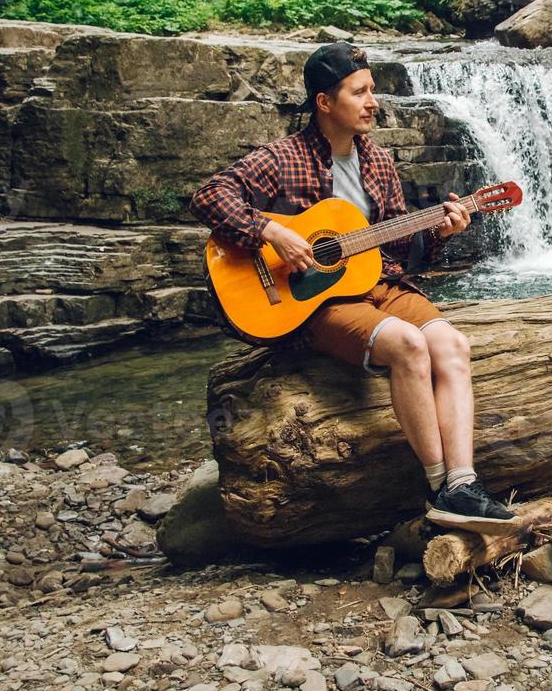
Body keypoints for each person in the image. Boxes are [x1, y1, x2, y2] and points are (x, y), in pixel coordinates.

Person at [190, 42, 517, 533]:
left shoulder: (379, 163)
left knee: (451, 343)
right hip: (309, 302)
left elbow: (398, 250)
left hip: (376, 285)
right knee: (408, 346)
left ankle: (463, 484)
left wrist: (440, 232)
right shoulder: (282, 158)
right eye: (360, 92)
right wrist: (272, 232)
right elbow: (209, 196)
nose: (373, 102)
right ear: (325, 102)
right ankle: (437, 487)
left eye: (373, 91)